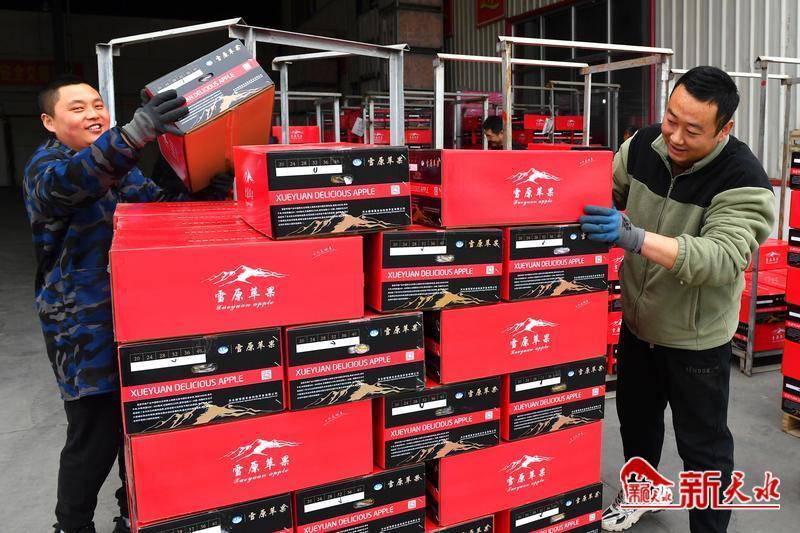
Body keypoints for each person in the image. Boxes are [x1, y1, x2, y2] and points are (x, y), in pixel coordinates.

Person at [23, 75, 233, 533]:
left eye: (97, 105)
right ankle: (72, 525)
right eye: (77, 108)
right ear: (50, 122)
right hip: (84, 325)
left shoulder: (123, 168)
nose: (92, 114)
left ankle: (131, 512)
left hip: (141, 315)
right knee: (94, 435)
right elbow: (78, 180)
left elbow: (157, 211)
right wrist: (136, 134)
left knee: (142, 424)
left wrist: (207, 193)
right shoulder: (47, 167)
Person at [579, 66, 774, 533]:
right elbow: (603, 188)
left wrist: (635, 236)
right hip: (639, 323)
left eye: (692, 130)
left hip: (695, 338)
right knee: (637, 423)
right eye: (671, 119)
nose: (676, 137)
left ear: (724, 128)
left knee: (703, 447)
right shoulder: (644, 145)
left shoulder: (743, 179)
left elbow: (721, 257)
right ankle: (640, 496)